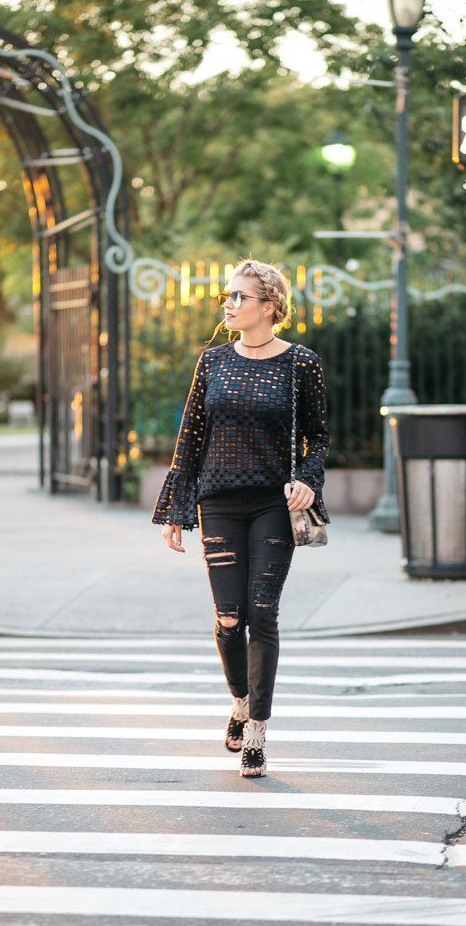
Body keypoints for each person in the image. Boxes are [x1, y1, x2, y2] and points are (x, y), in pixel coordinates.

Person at [152, 258, 330, 777]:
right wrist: (176, 510)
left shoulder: (301, 363)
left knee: (262, 613)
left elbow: (318, 437)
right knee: (229, 617)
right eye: (227, 296)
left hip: (275, 504)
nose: (228, 304)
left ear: (269, 307)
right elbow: (191, 438)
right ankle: (239, 699)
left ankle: (256, 729)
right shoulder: (212, 363)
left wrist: (308, 481)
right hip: (220, 504)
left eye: (239, 297)